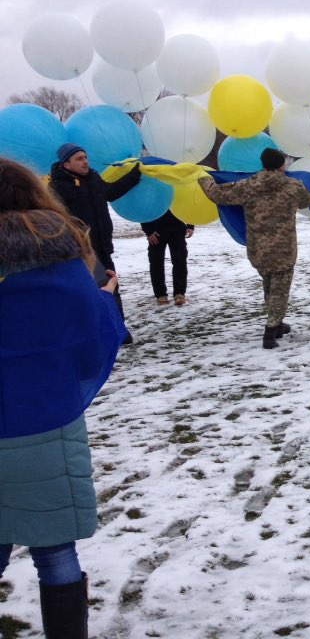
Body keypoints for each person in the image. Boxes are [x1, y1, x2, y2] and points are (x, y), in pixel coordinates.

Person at [1, 157, 126, 638]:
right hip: (47, 419)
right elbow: (93, 346)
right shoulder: (65, 257)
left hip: (36, 415)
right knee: (55, 551)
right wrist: (102, 299)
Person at [199, 148, 310, 349]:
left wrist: (203, 178)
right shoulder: (293, 186)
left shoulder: (248, 185)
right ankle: (270, 333)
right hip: (283, 250)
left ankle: (276, 323)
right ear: (281, 165)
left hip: (258, 249)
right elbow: (308, 200)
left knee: (270, 287)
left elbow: (218, 195)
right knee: (279, 291)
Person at [49, 143, 141, 343]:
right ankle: (90, 335)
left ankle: (119, 329)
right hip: (78, 252)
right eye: (79, 159)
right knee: (86, 293)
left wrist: (134, 175)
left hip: (101, 246)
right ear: (66, 164)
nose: (85, 161)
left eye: (85, 157)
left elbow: (112, 191)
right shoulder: (57, 187)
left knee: (111, 286)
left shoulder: (93, 178)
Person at [141, 209, 195, 306]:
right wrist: (148, 230)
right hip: (155, 230)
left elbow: (188, 201)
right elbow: (143, 206)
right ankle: (160, 294)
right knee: (156, 262)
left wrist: (190, 225)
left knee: (180, 260)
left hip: (177, 228)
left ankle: (180, 293)